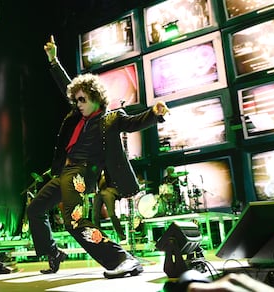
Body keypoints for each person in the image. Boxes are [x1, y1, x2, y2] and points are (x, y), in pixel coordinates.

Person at [26, 35, 169, 279]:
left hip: (81, 172)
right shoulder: (77, 117)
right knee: (35, 209)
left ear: (95, 98)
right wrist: (54, 61)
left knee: (74, 220)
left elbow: (135, 122)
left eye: (82, 99)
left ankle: (122, 259)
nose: (78, 103)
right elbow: (66, 86)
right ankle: (53, 252)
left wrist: (154, 114)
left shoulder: (111, 119)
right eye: (76, 99)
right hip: (64, 172)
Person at [92, 170, 126, 244]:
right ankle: (98, 237)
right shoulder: (97, 169)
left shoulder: (109, 168)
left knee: (111, 214)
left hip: (108, 191)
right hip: (99, 192)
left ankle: (122, 236)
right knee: (95, 215)